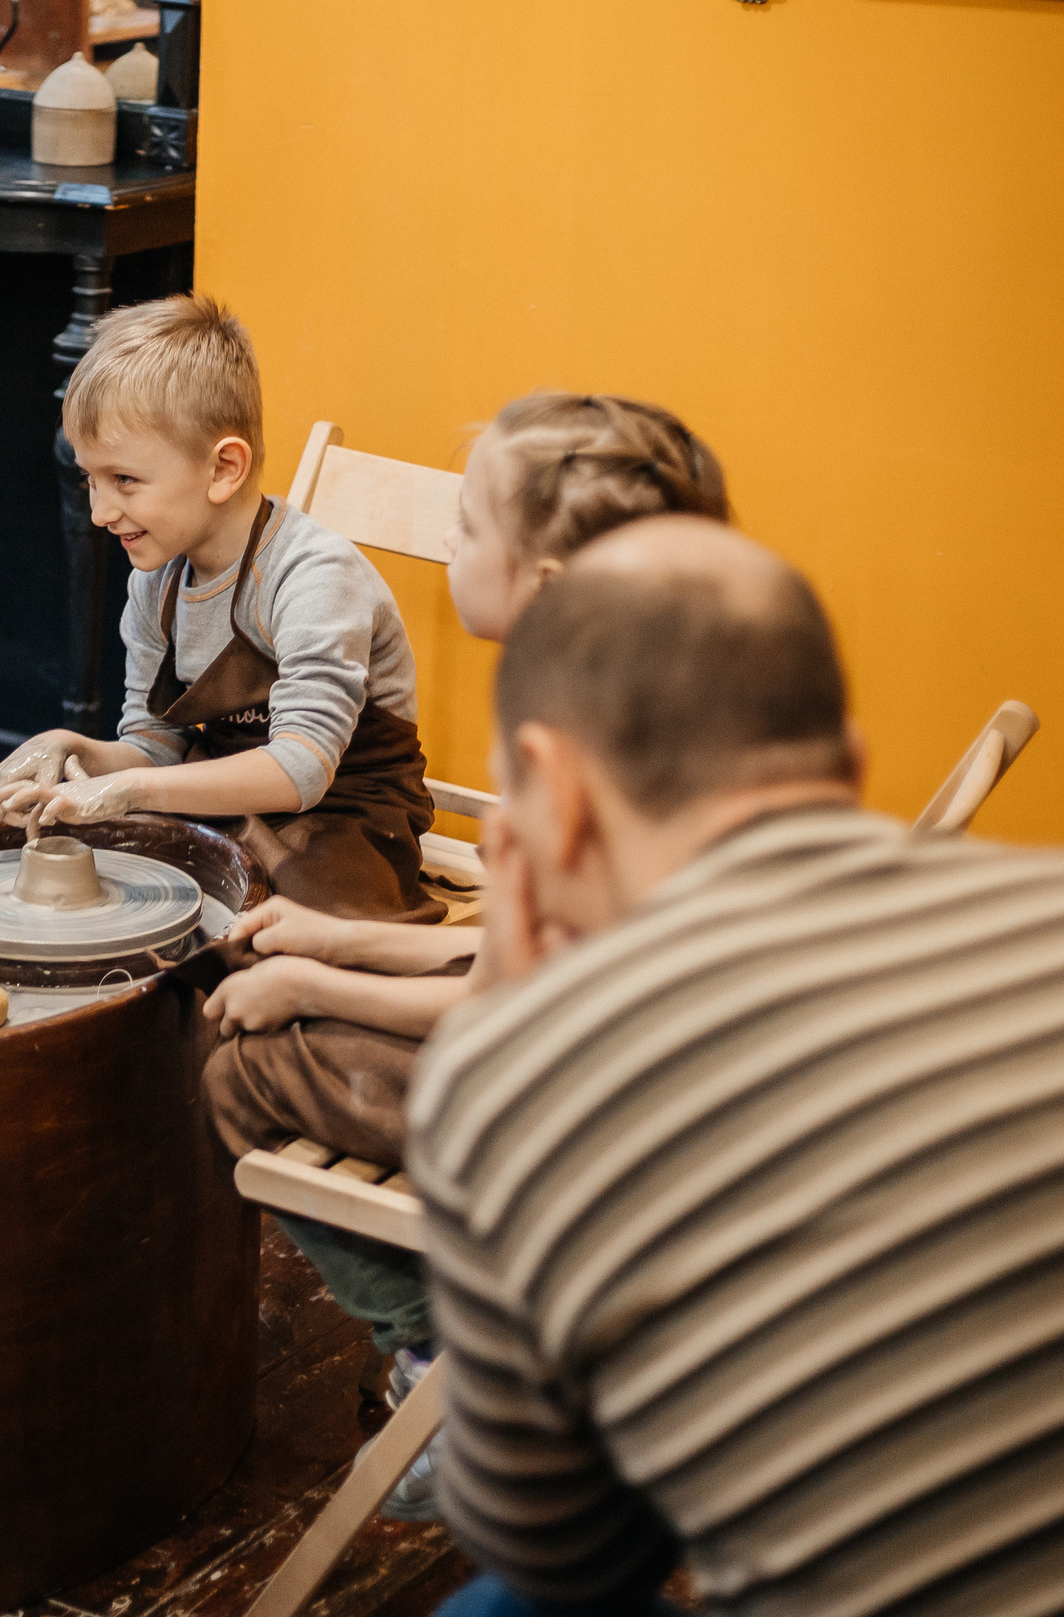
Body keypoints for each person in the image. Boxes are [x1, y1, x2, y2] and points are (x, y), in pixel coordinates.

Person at [395, 516, 1064, 1617]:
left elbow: (564, 1558)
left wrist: (500, 1022)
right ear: (848, 762)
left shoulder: (525, 1074)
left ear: (550, 797)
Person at [197, 394, 729, 1513]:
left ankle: (442, 1356)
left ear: (542, 588)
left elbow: (499, 1012)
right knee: (306, 986)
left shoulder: (556, 762)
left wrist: (307, 979)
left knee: (245, 1066)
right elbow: (546, 962)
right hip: (670, 1098)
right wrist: (340, 936)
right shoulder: (668, 712)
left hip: (580, 1140)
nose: (450, 543)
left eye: (472, 526)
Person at [0, 294, 438, 921]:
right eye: (89, 479)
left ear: (224, 468)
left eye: (124, 481)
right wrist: (73, 751)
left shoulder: (313, 576)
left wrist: (133, 789)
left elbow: (303, 769)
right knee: (109, 882)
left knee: (286, 933)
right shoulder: (155, 581)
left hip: (348, 813)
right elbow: (155, 748)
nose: (99, 512)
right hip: (228, 797)